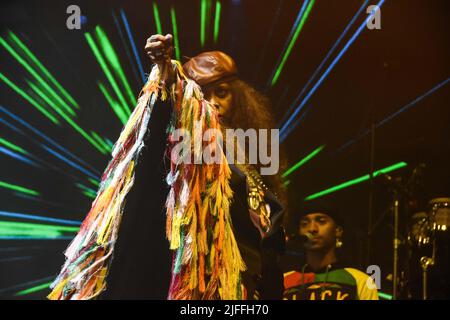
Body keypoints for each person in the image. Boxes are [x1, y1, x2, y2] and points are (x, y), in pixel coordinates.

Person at [48, 34, 286, 300]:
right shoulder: (190, 153)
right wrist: (166, 72)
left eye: (222, 93)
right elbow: (164, 123)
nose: (215, 102)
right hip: (209, 287)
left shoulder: (247, 154)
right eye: (203, 94)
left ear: (239, 99)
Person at [283, 201, 379, 300]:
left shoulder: (360, 281)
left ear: (338, 230)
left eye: (321, 221)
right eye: (304, 224)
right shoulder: (282, 281)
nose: (312, 229)